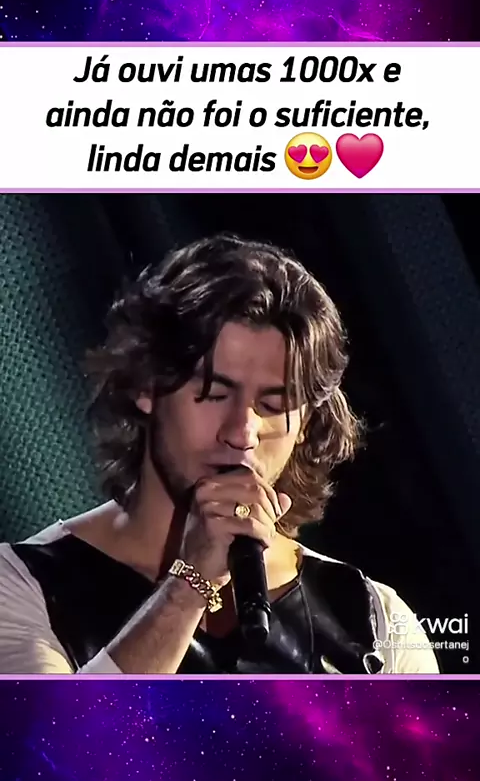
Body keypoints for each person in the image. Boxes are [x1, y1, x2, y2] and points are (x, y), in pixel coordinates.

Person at [0, 233, 439, 674]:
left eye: (274, 405)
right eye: (214, 393)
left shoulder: (375, 619)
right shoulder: (23, 585)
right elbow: (64, 722)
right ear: (146, 385)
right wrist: (188, 587)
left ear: (306, 423)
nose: (243, 432)